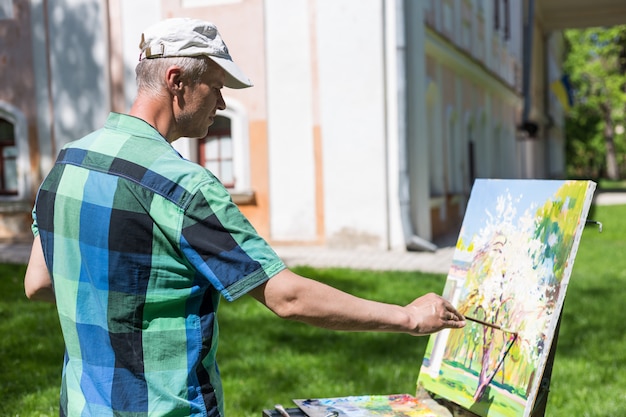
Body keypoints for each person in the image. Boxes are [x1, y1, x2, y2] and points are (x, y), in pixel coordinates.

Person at [24, 17, 465, 417]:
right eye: (215, 86)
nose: (219, 102)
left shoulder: (68, 162)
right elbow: (286, 297)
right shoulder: (184, 186)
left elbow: (38, 284)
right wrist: (407, 317)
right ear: (177, 81)